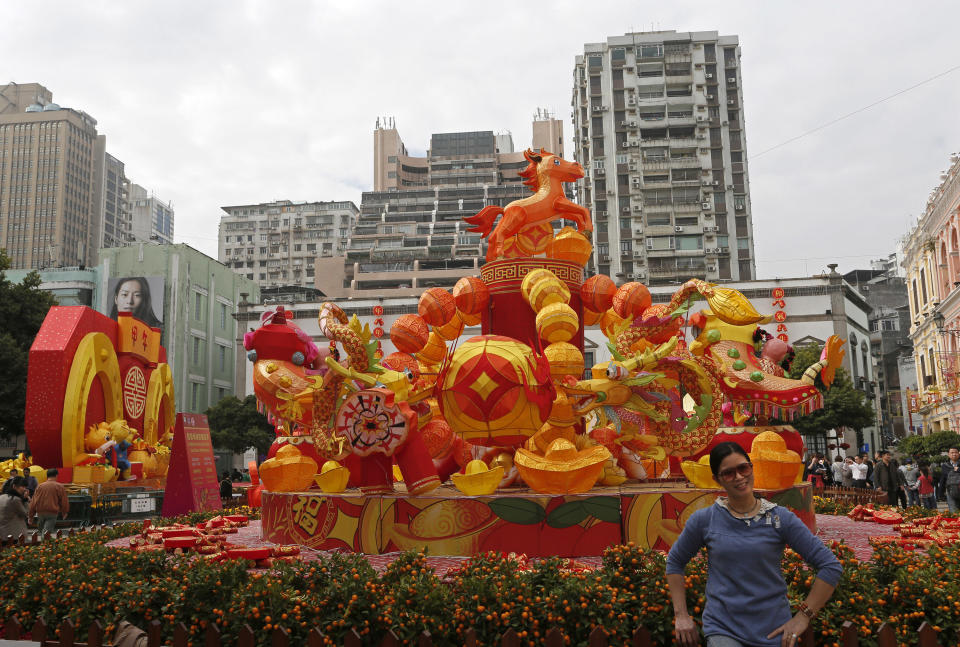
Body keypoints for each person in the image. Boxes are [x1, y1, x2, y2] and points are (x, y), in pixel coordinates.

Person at [667, 442, 842, 647]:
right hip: (724, 630)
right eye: (729, 473)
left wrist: (803, 616)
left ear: (752, 468)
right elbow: (675, 561)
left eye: (743, 468)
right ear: (717, 479)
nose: (739, 477)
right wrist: (681, 615)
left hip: (774, 632)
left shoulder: (780, 518)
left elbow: (830, 566)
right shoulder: (705, 520)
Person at [28, 469, 69, 536]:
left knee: (41, 532)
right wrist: (64, 512)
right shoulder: (59, 486)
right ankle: (44, 545)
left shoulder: (40, 486)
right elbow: (64, 501)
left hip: (40, 512)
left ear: (47, 476)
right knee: (46, 532)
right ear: (56, 475)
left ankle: (42, 544)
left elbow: (34, 501)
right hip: (52, 512)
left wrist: (30, 516)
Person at [938, 447, 960, 514]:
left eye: (956, 452)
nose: (954, 454)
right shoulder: (945, 466)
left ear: (959, 453)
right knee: (954, 513)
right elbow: (943, 479)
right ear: (948, 454)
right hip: (950, 491)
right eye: (952, 452)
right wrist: (940, 493)